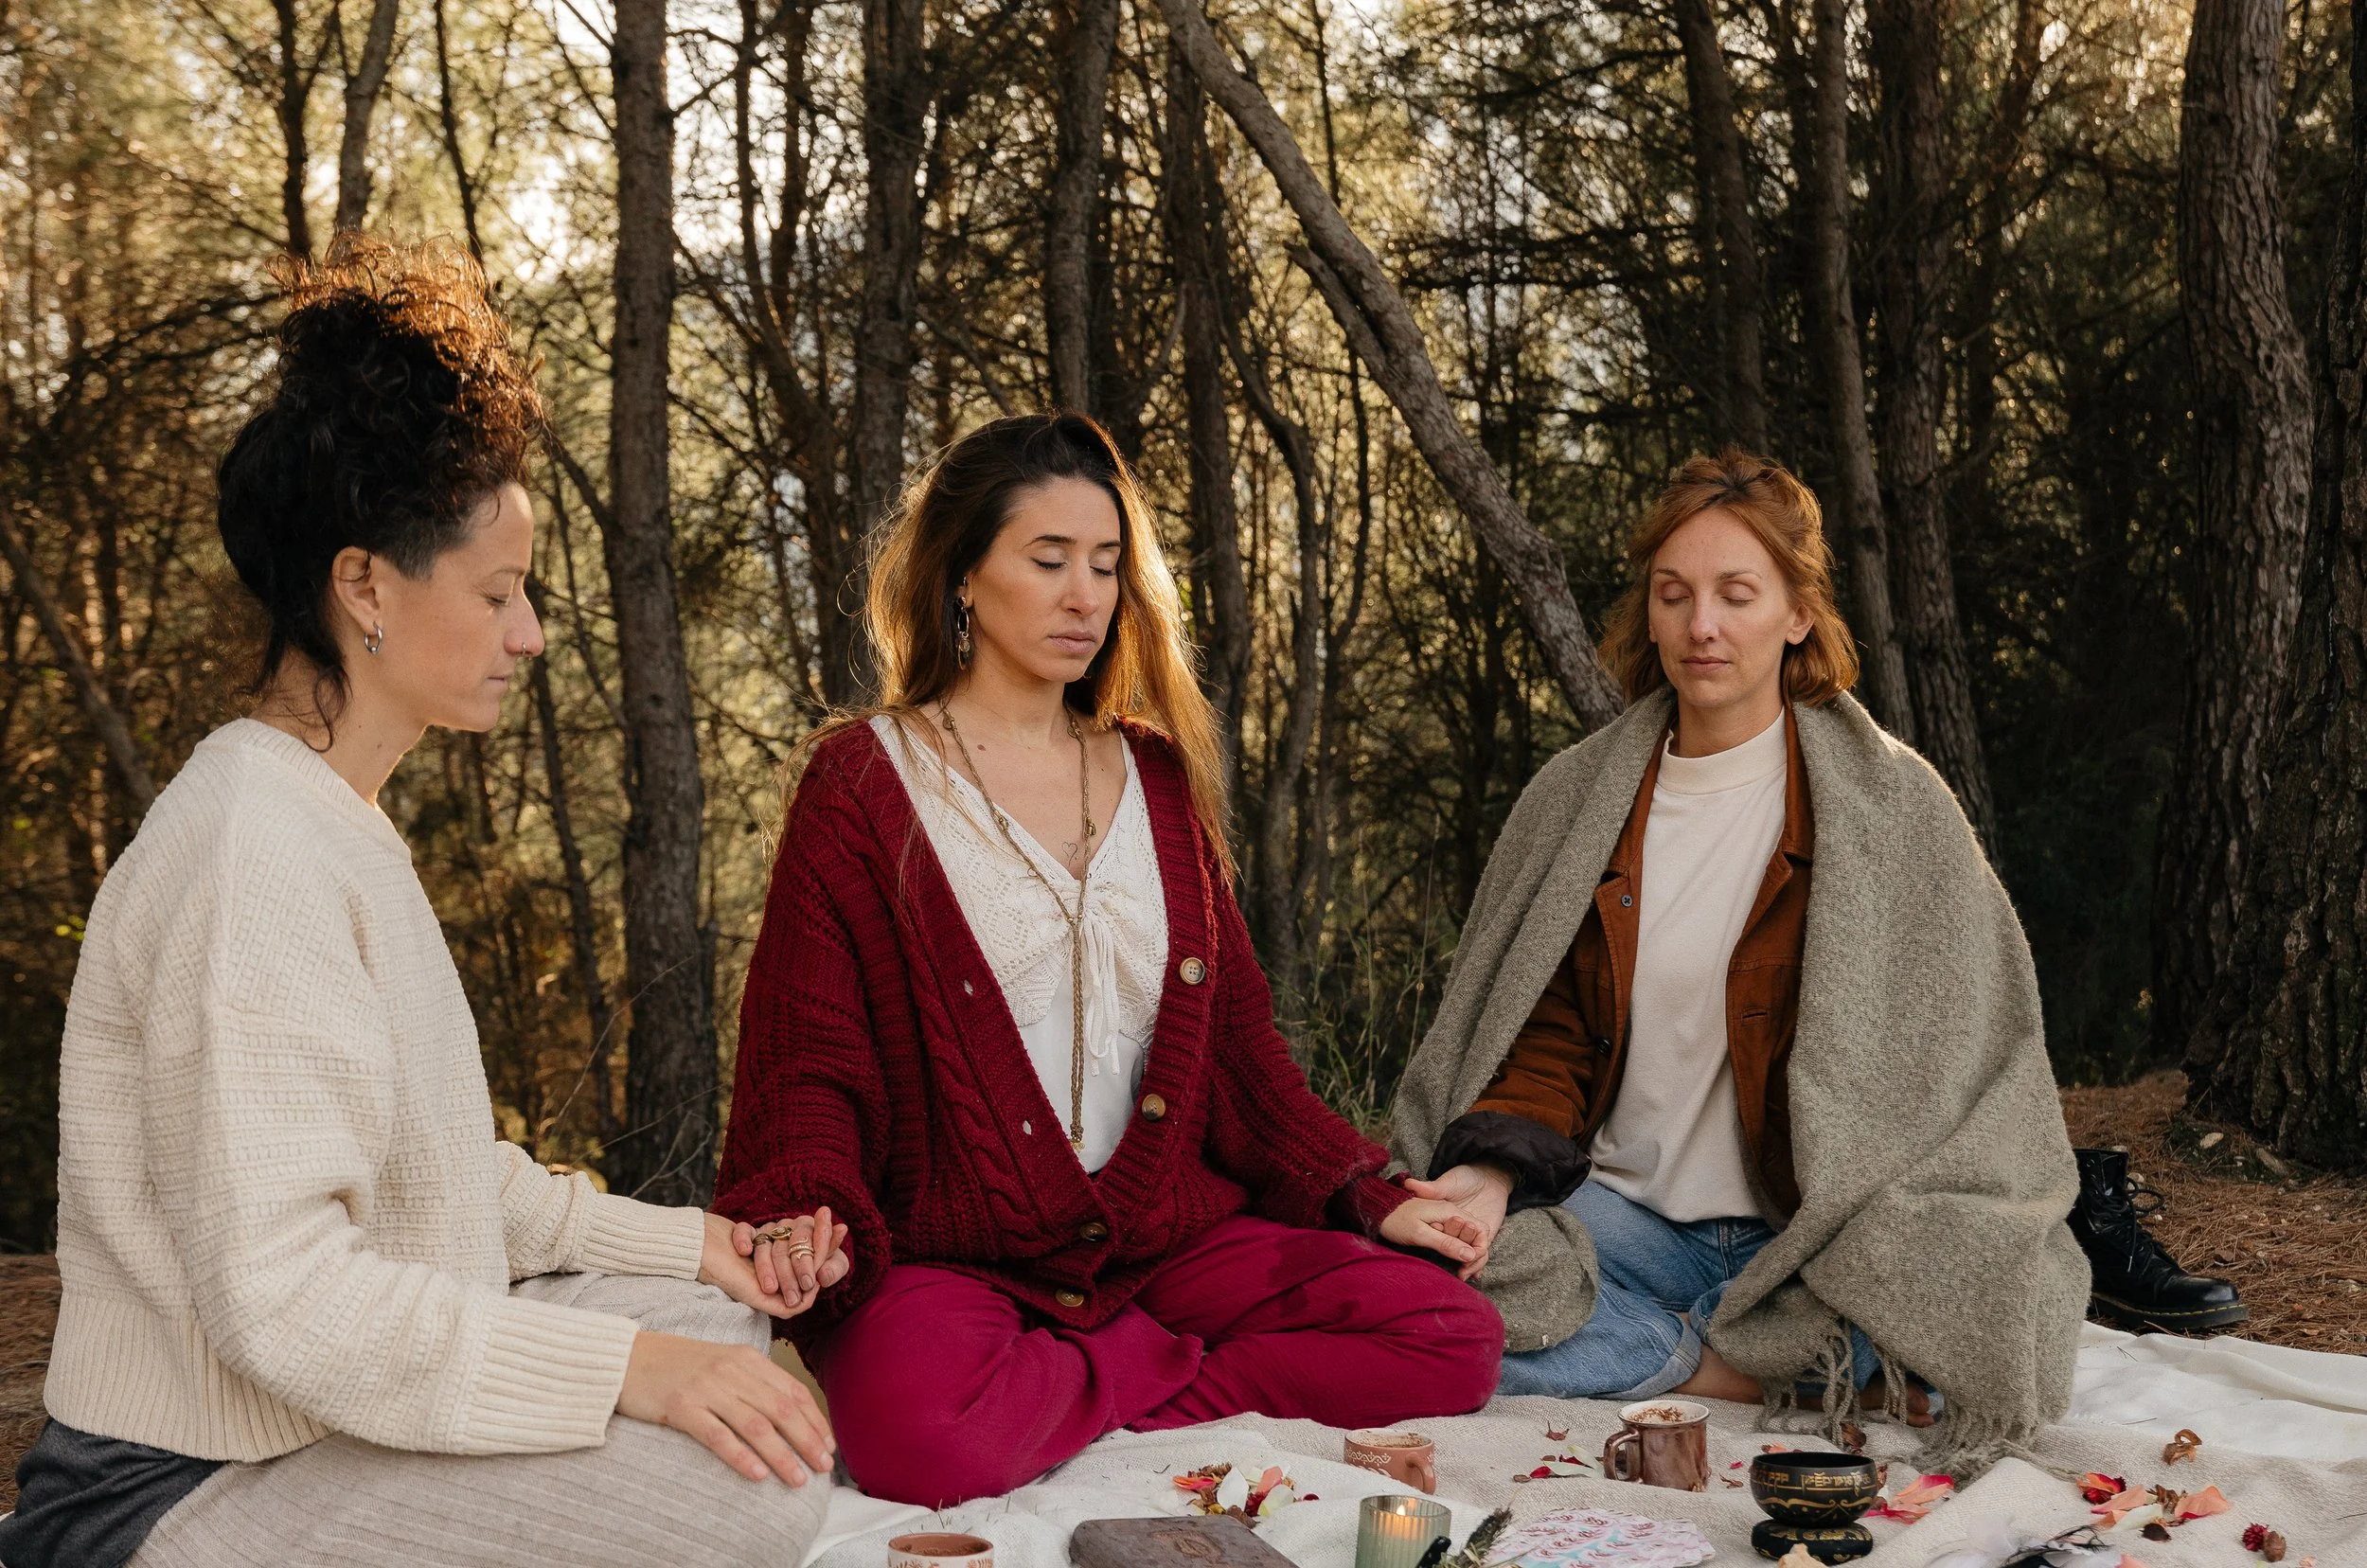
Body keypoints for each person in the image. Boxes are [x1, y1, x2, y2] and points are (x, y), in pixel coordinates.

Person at [3, 240, 840, 1568]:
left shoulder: (335, 821)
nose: (531, 637)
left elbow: (444, 1184)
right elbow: (285, 1299)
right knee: (747, 1490)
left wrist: (697, 1250)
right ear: (366, 587)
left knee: (727, 1335)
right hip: (174, 1497)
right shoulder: (246, 854)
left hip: (312, 1425)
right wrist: (631, 1372)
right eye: (500, 595)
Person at [714, 412, 1504, 1508]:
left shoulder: (1158, 777)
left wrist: (1361, 1194)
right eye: (1048, 562)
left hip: (1164, 1246)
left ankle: (1077, 1398)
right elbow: (809, 1058)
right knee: (916, 1440)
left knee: (1449, 1335)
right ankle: (1137, 1378)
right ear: (964, 576)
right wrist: (804, 1202)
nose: (1086, 596)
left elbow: (1237, 1050)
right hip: (959, 1261)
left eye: (1105, 565)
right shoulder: (865, 785)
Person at [1387, 452, 2089, 1474]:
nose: (1700, 626)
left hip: (1812, 1237)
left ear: (1798, 613)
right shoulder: (1576, 804)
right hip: (1617, 1215)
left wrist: (1916, 1225)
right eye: (1673, 595)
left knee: (1987, 1292)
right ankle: (1711, 1362)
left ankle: (1656, 1344)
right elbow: (1541, 1030)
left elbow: (1967, 1071)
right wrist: (1489, 1176)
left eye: (1734, 594)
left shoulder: (1895, 809)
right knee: (1410, 1267)